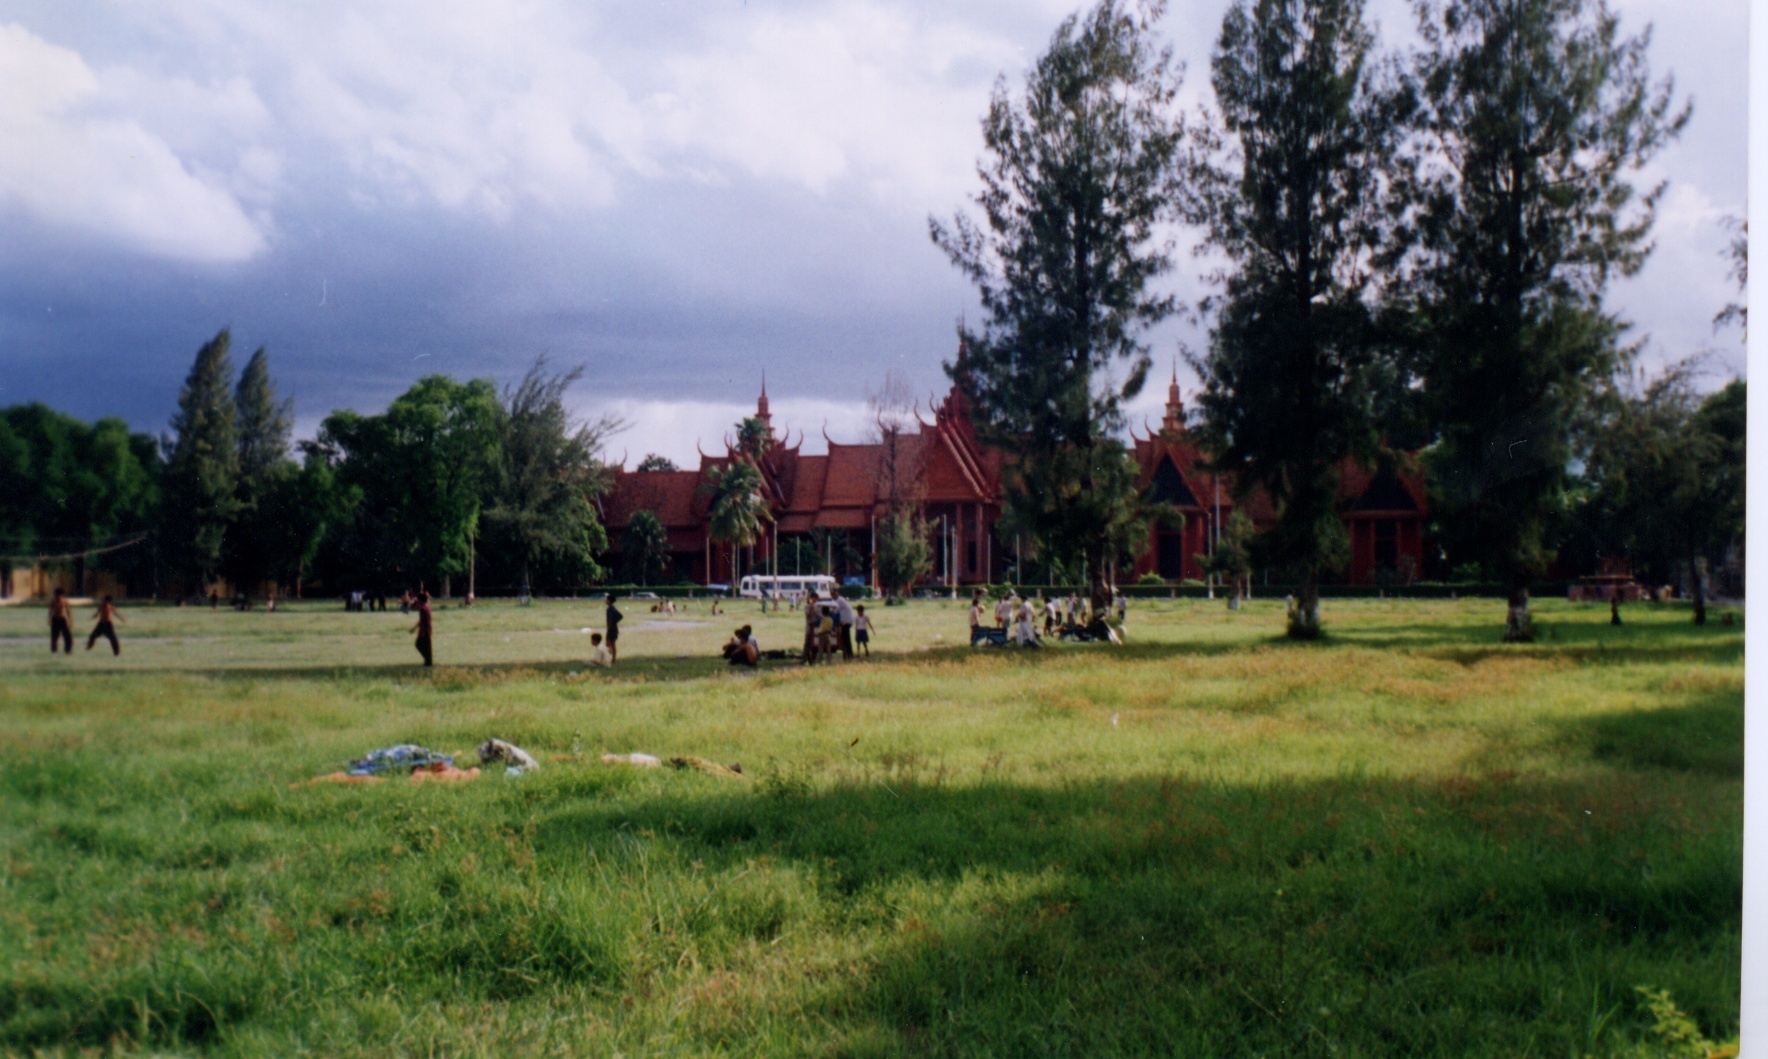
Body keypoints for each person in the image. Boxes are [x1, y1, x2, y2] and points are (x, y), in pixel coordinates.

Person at [409, 590, 433, 667]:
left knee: (419, 644)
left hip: (424, 630)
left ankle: (428, 660)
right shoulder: (427, 607)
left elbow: (422, 620)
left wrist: (414, 628)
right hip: (428, 629)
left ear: (420, 600)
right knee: (427, 646)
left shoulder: (423, 608)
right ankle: (428, 661)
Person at [48, 587, 73, 654]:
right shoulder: (53, 601)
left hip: (62, 619)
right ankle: (54, 651)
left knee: (68, 636)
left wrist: (70, 621)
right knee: (54, 637)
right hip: (55, 619)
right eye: (56, 595)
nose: (58, 596)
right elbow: (50, 611)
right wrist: (49, 619)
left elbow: (68, 611)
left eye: (59, 595)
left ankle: (67, 650)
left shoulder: (64, 602)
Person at [835, 592, 857, 661]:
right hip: (846, 620)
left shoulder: (839, 600)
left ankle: (849, 654)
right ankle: (847, 654)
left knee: (846, 639)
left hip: (846, 621)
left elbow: (836, 610)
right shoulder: (840, 600)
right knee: (845, 638)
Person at [802, 591, 822, 664]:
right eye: (813, 598)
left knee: (815, 643)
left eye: (815, 599)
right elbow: (807, 614)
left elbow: (820, 616)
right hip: (809, 626)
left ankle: (813, 660)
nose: (814, 600)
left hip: (816, 627)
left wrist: (815, 610)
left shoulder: (819, 606)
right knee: (807, 643)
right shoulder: (807, 606)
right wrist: (811, 608)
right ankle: (804, 659)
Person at [604, 593, 624, 663]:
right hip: (613, 628)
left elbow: (610, 619)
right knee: (611, 644)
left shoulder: (610, 609)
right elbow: (620, 616)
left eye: (606, 599)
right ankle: (612, 659)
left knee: (609, 644)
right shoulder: (613, 608)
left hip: (611, 629)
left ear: (609, 601)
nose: (605, 600)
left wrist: (612, 624)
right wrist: (615, 622)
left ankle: (610, 659)